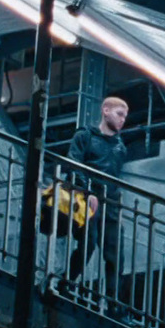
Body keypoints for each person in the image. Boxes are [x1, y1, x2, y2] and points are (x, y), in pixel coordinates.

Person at [61, 96, 130, 314]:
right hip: (88, 199)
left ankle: (114, 304)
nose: (123, 120)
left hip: (110, 202)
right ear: (105, 110)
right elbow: (73, 163)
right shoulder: (85, 136)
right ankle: (67, 282)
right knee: (88, 244)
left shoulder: (120, 145)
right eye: (119, 114)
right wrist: (87, 191)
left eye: (125, 117)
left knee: (115, 254)